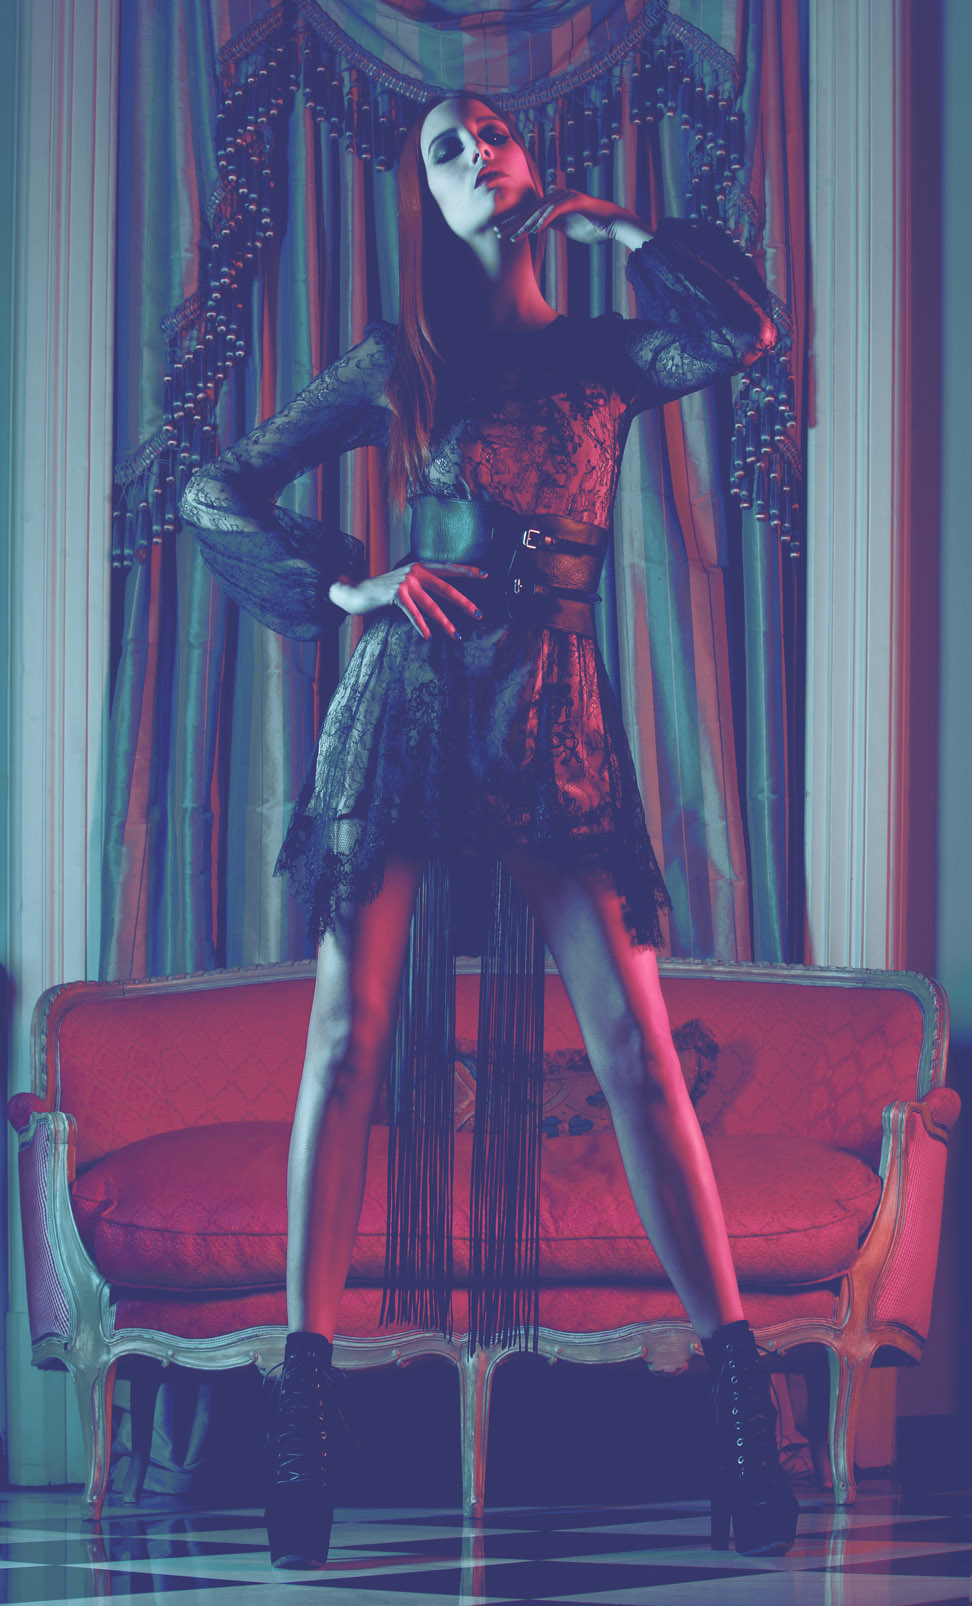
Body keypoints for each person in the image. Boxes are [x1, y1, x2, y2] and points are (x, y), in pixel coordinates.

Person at [180, 91, 798, 1570]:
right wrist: (353, 587)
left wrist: (621, 227)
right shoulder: (398, 358)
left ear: (535, 162)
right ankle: (302, 1418)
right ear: (426, 195)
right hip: (409, 700)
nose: (475, 156)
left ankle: (741, 1410)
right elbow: (215, 485)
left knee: (639, 1052)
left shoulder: (606, 352)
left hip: (554, 706)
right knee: (348, 1043)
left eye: (492, 134)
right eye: (443, 150)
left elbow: (741, 332)